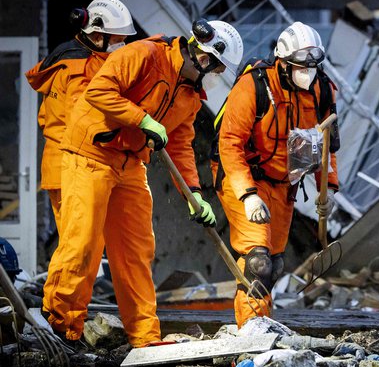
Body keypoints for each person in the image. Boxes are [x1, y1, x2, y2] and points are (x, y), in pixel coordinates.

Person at [41, 18, 244, 348]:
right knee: (83, 244)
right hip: (91, 151)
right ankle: (60, 325)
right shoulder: (146, 54)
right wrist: (142, 119)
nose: (216, 74)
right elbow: (99, 91)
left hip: (131, 163)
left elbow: (179, 144)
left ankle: (145, 339)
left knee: (136, 251)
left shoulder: (190, 95)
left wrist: (194, 194)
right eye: (217, 67)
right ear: (203, 56)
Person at [212, 21, 339, 327]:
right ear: (283, 62)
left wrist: (330, 188)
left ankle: (263, 327)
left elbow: (327, 145)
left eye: (312, 67)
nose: (306, 73)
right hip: (243, 175)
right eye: (299, 67)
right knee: (257, 261)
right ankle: (251, 334)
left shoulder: (322, 89)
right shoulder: (254, 86)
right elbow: (229, 144)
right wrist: (248, 194)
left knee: (275, 263)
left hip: (284, 184)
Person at [26, 0, 136, 232]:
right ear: (97, 36)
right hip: (71, 167)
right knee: (77, 249)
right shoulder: (81, 68)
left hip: (63, 165)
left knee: (78, 245)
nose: (123, 46)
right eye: (119, 40)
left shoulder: (69, 58)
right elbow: (85, 122)